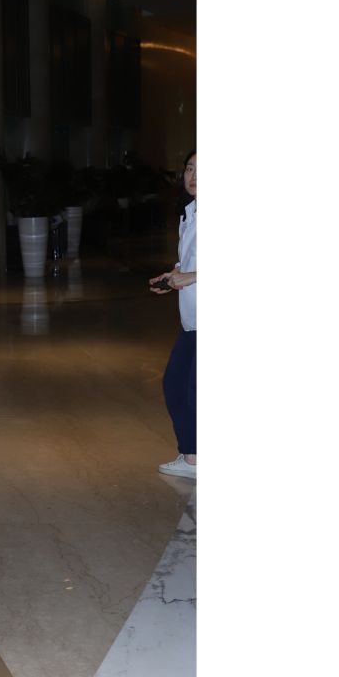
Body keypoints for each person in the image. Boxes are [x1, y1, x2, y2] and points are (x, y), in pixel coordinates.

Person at [148, 150, 197, 479]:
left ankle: (196, 459)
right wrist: (174, 275)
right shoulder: (190, 213)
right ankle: (193, 458)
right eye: (190, 168)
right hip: (192, 319)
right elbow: (190, 260)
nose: (194, 176)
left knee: (192, 390)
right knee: (176, 384)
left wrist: (190, 277)